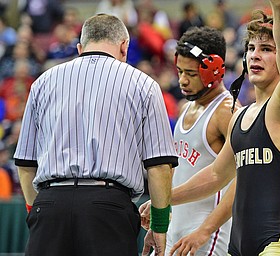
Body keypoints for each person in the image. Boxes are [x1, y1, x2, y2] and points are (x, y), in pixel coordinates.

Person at [13, 14, 178, 256]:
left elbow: (26, 164)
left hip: (50, 205)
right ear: (124, 46)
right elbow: (160, 165)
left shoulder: (42, 82)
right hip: (107, 207)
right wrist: (160, 227)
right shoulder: (143, 84)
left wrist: (36, 212)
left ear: (80, 48)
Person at [169, 0, 280, 255]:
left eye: (267, 49)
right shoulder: (240, 116)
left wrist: (279, 5)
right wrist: (164, 199)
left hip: (279, 243)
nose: (255, 55)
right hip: (237, 247)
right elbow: (216, 175)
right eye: (251, 48)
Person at [140, 26, 240, 255]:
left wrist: (204, 231)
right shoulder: (186, 108)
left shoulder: (227, 112)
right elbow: (178, 173)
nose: (182, 80)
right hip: (177, 231)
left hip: (208, 235)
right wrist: (160, 217)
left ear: (214, 71)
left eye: (191, 74)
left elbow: (242, 180)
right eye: (179, 71)